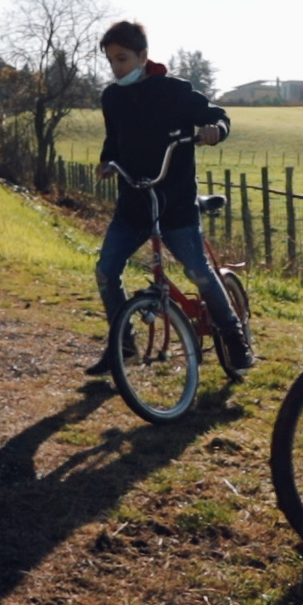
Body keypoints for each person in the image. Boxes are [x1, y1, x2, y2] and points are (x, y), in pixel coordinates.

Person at [89, 20, 254, 374]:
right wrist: (106, 162)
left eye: (123, 59)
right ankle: (124, 345)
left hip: (176, 204)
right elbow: (113, 140)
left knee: (200, 273)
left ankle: (234, 336)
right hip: (133, 204)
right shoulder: (112, 97)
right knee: (106, 271)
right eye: (111, 61)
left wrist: (215, 130)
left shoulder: (175, 91)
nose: (117, 68)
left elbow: (217, 116)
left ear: (143, 56)